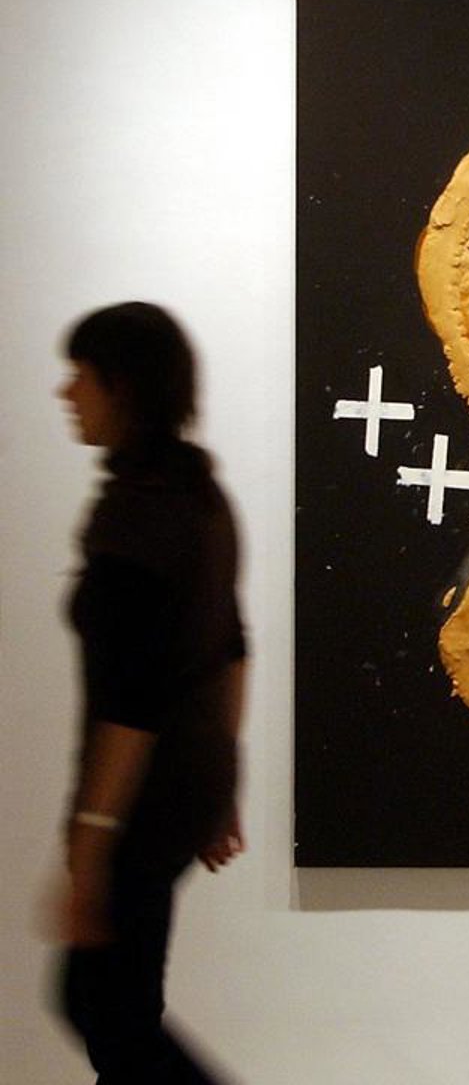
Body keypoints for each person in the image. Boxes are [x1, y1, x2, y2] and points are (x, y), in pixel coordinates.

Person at [53, 301, 247, 1083]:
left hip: (145, 799)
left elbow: (130, 704)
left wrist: (91, 847)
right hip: (187, 787)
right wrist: (221, 784)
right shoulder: (201, 497)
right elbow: (232, 649)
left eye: (80, 376)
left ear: (122, 388)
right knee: (114, 1008)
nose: (67, 393)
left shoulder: (137, 516)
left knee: (104, 1012)